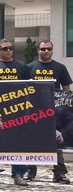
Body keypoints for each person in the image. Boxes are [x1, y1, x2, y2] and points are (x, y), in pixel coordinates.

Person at [0, 38, 30, 186]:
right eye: (5, 48)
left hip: (17, 111)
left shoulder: (22, 66)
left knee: (18, 142)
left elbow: (30, 87)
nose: (8, 50)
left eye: (10, 48)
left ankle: (18, 174)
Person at [27, 39, 71, 184]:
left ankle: (59, 173)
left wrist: (65, 109)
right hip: (34, 110)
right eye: (43, 49)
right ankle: (30, 171)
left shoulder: (60, 67)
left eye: (49, 49)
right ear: (38, 50)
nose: (46, 51)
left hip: (55, 112)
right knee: (32, 140)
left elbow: (66, 89)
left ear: (52, 50)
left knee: (55, 141)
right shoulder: (30, 67)